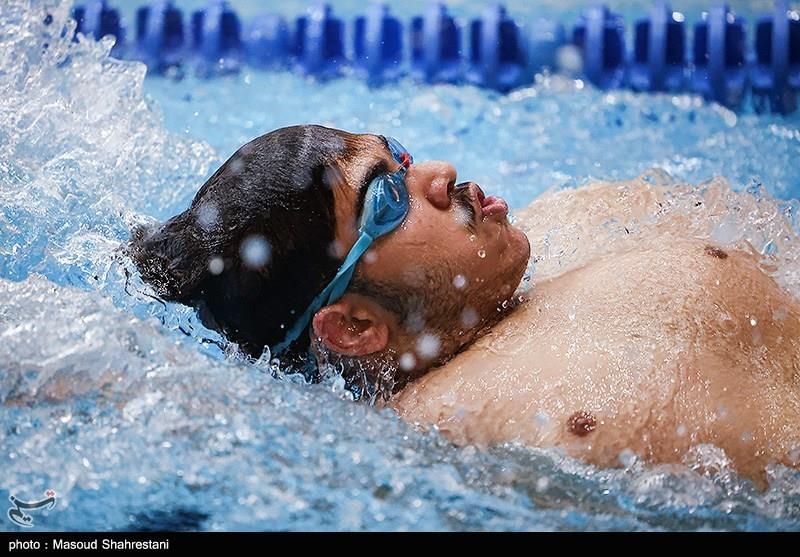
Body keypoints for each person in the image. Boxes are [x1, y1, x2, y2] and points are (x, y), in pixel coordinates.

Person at [130, 125, 800, 483]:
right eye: (387, 198)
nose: (439, 172)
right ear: (355, 326)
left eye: (400, 155)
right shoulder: (457, 438)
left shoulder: (571, 218)